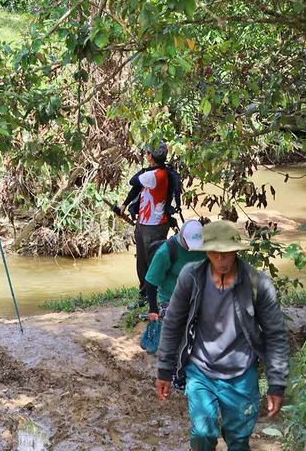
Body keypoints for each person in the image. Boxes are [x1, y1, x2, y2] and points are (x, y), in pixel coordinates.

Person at [156, 220, 289, 451]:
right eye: (214, 253)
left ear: (236, 251)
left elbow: (275, 334)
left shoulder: (258, 283)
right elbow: (173, 323)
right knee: (202, 433)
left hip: (241, 373)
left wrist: (277, 383)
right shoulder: (192, 276)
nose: (221, 259)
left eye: (226, 253)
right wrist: (164, 369)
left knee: (238, 440)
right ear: (206, 251)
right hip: (201, 369)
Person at [116, 142, 182, 307]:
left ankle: (158, 298)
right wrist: (124, 206)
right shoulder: (158, 173)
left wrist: (146, 169)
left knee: (152, 262)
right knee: (142, 262)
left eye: (147, 153)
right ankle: (145, 296)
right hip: (145, 223)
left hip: (153, 226)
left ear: (150, 156)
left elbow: (133, 181)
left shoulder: (154, 175)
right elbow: (137, 189)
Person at [144, 220, 204, 321]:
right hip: (172, 298)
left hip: (199, 295)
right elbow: (151, 281)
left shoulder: (207, 247)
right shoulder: (166, 252)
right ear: (182, 237)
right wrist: (153, 309)